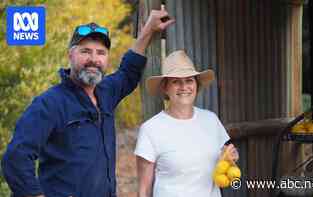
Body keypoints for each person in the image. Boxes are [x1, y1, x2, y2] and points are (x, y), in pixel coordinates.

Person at [1, 9, 174, 197]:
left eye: (101, 53)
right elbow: (16, 158)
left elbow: (128, 71)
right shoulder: (50, 104)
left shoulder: (106, 92)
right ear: (70, 55)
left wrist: (148, 29)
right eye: (85, 51)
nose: (94, 60)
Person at [134, 50, 239, 197]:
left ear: (196, 84)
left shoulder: (211, 120)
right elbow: (143, 190)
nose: (184, 87)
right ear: (165, 88)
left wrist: (229, 157)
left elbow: (222, 166)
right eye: (176, 81)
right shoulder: (151, 129)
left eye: (189, 80)